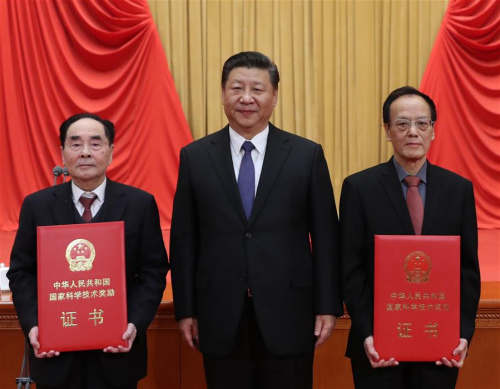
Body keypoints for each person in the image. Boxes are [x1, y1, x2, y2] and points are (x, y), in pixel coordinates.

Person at [170, 51, 342, 389]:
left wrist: (328, 305)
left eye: (258, 89)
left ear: (275, 96)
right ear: (223, 94)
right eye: (237, 88)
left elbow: (326, 237)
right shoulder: (195, 157)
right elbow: (184, 240)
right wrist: (185, 309)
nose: (246, 98)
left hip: (290, 310)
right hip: (219, 310)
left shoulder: (306, 155)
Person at [7, 113, 169, 389]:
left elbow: (153, 271)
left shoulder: (139, 204)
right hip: (55, 355)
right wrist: (35, 326)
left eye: (95, 144)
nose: (85, 153)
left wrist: (133, 324)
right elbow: (22, 272)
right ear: (62, 153)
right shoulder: (37, 206)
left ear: (110, 152)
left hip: (117, 354)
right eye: (75, 144)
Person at [339, 86, 481, 389]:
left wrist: (462, 335)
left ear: (432, 130)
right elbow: (351, 270)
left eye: (422, 123)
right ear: (388, 131)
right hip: (377, 347)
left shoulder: (459, 190)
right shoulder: (359, 188)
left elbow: (467, 270)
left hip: (441, 346)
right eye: (402, 124)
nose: (412, 132)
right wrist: (367, 334)